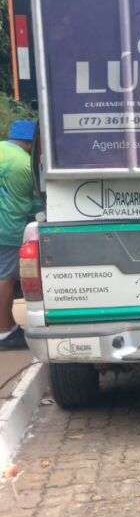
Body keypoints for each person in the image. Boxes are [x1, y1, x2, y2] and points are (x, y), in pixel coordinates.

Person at [0, 120, 39, 350]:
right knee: (4, 278)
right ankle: (4, 332)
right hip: (5, 230)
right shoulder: (25, 164)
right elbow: (35, 200)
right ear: (30, 142)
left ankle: (9, 326)